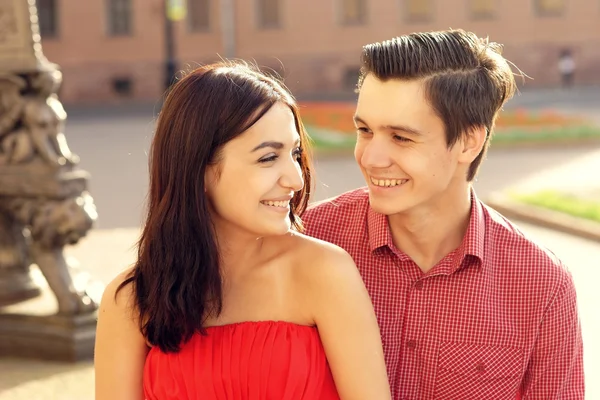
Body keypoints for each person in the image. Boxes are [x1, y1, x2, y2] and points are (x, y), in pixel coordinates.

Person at [303, 29, 585, 399]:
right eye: (364, 130)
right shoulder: (308, 241)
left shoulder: (541, 286)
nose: (370, 158)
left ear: (469, 141)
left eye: (401, 137)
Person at [94, 62, 391, 400]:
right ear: (200, 170)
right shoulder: (131, 299)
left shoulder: (323, 273)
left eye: (294, 153)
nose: (295, 179)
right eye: (267, 158)